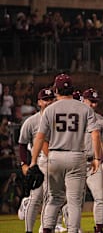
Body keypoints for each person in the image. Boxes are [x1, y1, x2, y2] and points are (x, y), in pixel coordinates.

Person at [29, 74, 103, 233]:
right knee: (74, 201)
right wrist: (97, 157)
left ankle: (47, 229)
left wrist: (33, 161)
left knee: (54, 198)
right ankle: (73, 230)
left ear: (56, 90)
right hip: (76, 155)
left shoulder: (50, 109)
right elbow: (95, 134)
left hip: (55, 156)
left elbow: (40, 137)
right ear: (72, 89)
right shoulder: (84, 108)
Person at [17, 88, 60, 233]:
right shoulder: (31, 121)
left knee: (52, 199)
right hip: (40, 163)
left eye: (51, 99)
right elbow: (22, 144)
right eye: (45, 99)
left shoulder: (59, 119)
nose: (49, 102)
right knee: (36, 200)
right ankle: (29, 230)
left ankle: (46, 229)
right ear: (39, 102)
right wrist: (24, 163)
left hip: (57, 162)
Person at [82, 89, 103, 233]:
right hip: (77, 162)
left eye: (95, 102)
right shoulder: (76, 118)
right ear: (83, 100)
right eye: (90, 101)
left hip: (95, 162)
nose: (93, 105)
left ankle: (99, 228)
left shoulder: (101, 120)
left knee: (100, 197)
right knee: (74, 200)